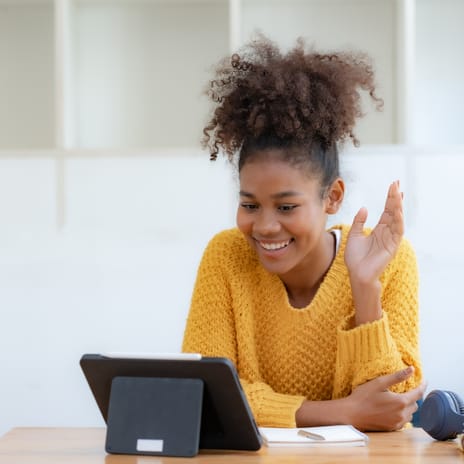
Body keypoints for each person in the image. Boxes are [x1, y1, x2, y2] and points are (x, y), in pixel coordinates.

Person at [182, 34, 425, 431]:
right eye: (249, 204)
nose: (263, 226)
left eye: (286, 207)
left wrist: (366, 289)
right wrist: (341, 412)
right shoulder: (225, 256)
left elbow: (394, 406)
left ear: (332, 197)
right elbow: (204, 397)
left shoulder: (390, 261)